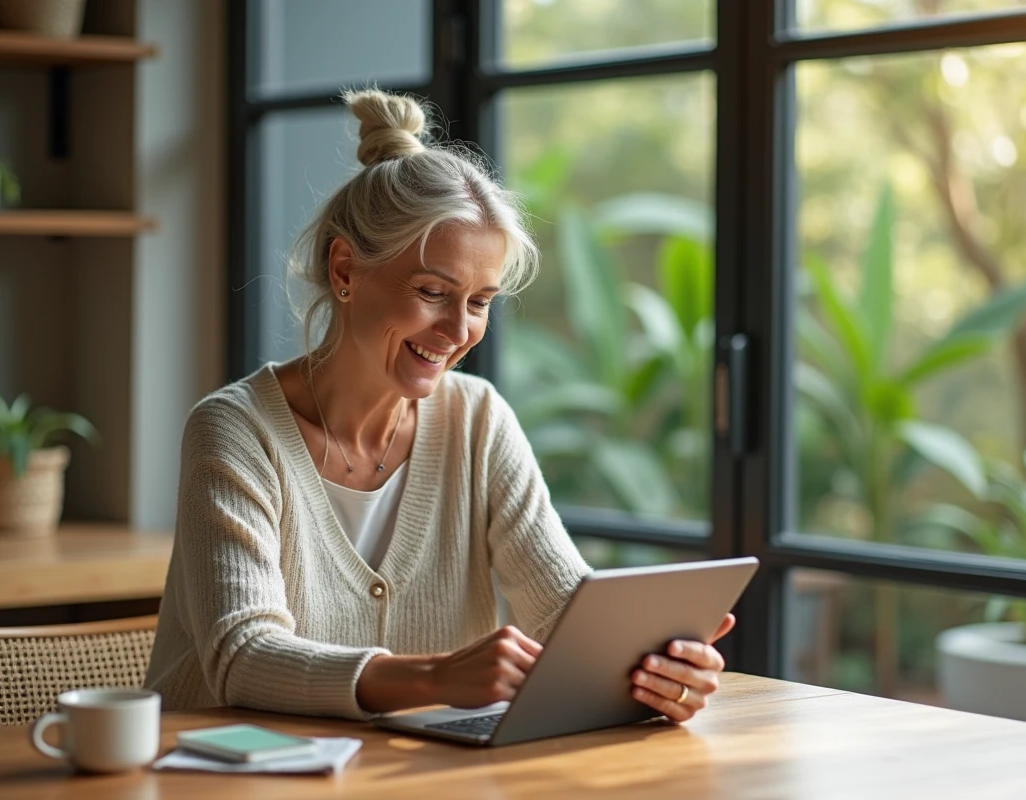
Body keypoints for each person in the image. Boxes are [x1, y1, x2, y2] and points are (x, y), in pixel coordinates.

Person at [144, 88, 735, 723]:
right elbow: (243, 657)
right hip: (223, 775)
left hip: (419, 777)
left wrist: (656, 668)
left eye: (480, 301)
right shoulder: (235, 429)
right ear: (345, 269)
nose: (459, 330)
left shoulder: (478, 420)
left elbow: (564, 606)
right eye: (432, 291)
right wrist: (437, 675)